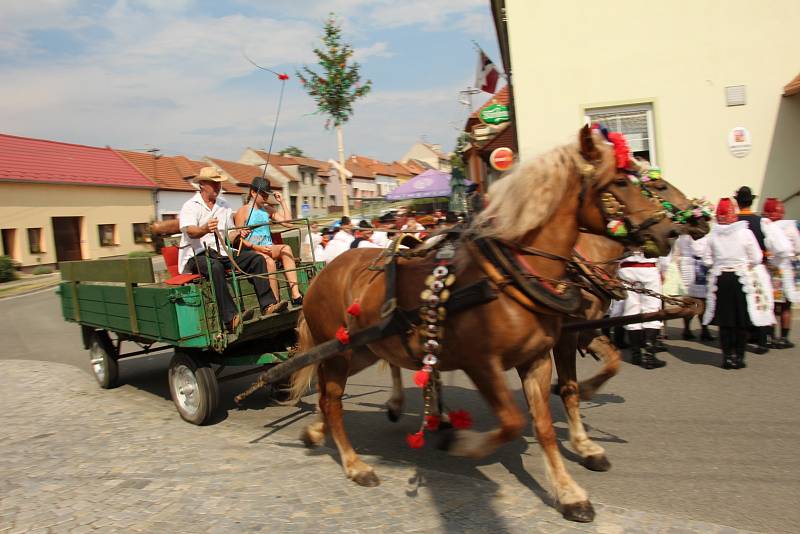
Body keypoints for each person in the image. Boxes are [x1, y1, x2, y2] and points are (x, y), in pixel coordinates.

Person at [178, 167, 286, 332]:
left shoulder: (224, 205)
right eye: (213, 183)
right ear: (202, 184)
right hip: (197, 255)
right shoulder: (191, 206)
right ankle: (230, 319)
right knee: (216, 267)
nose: (218, 186)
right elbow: (191, 231)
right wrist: (205, 229)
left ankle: (268, 305)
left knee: (256, 259)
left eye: (219, 183)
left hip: (221, 252)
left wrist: (239, 232)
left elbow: (229, 234)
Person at [702, 198, 770, 369]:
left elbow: (707, 260)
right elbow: (756, 257)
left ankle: (727, 358)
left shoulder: (713, 235)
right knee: (741, 320)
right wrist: (745, 263)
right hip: (741, 279)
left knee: (725, 321)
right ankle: (739, 357)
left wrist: (719, 263)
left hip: (721, 279)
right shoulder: (745, 233)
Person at [233, 176, 303, 307]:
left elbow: (289, 224)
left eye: (267, 194)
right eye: (263, 193)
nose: (265, 197)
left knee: (286, 248)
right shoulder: (243, 211)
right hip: (252, 250)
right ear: (253, 193)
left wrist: (282, 202)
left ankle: (295, 295)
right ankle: (275, 302)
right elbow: (239, 239)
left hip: (268, 246)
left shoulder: (268, 210)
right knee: (269, 262)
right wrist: (257, 248)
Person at [734, 186, 780, 352]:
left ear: (737, 202)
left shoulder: (732, 222)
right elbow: (772, 245)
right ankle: (762, 339)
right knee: (761, 301)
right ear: (751, 201)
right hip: (756, 266)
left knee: (742, 303)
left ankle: (744, 336)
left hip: (738, 267)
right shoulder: (761, 221)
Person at [617, 247, 669, 369]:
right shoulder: (651, 228)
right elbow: (663, 250)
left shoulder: (622, 227)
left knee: (631, 310)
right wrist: (663, 270)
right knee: (652, 310)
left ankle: (636, 355)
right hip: (648, 268)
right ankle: (649, 355)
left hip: (626, 269)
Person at [763, 197, 799, 348]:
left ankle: (771, 337)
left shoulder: (765, 227)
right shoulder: (789, 227)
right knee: (786, 305)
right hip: (788, 269)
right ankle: (783, 338)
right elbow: (798, 248)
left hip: (771, 269)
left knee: (772, 305)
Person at [672, 234, 715, 341]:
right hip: (698, 267)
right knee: (700, 300)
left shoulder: (682, 237)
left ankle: (688, 329)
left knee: (689, 299)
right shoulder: (699, 237)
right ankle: (703, 329)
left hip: (688, 266)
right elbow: (698, 250)